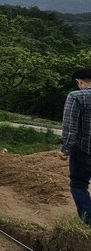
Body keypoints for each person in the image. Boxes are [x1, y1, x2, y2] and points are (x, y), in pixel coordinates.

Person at [60, 68, 91, 228]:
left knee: (79, 184)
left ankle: (89, 223)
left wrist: (65, 149)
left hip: (83, 150)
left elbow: (69, 127)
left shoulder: (76, 96)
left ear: (80, 81)